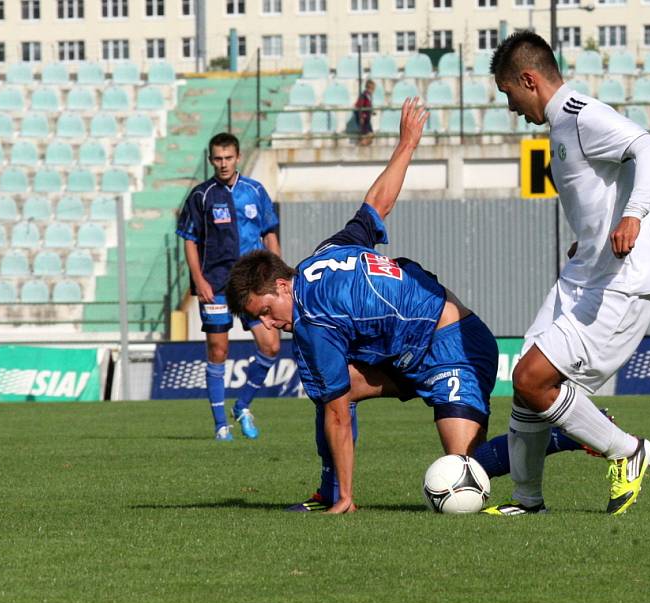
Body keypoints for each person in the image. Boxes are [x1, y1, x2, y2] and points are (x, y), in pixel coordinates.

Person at [226, 99, 605, 513]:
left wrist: (351, 501)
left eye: (263, 310)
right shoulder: (326, 253)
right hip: (403, 354)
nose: (266, 323)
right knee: (333, 386)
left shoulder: (312, 317)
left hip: (454, 347)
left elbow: (337, 415)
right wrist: (406, 144)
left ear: (283, 285)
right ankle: (329, 492)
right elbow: (376, 206)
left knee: (464, 469)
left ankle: (571, 433)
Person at [486, 31, 650, 516]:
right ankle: (527, 501)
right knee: (525, 381)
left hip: (620, 283)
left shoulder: (581, 115)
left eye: (509, 94)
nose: (511, 107)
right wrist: (591, 237)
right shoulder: (560, 128)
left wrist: (634, 214)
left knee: (532, 379)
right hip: (584, 274)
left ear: (529, 79)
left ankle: (629, 451)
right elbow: (600, 192)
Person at [176, 132, 281, 442]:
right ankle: (221, 425)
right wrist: (199, 279)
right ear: (211, 160)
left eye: (228, 158)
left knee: (271, 345)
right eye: (217, 158)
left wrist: (276, 275)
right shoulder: (201, 195)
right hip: (217, 283)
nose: (223, 164)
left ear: (237, 158)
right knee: (218, 350)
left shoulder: (255, 191)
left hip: (252, 283)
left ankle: (243, 405)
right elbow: (190, 240)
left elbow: (270, 234)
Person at [354, 80, 375, 146]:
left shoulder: (369, 96)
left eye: (373, 89)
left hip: (367, 118)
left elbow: (368, 106)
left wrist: (371, 112)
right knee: (366, 134)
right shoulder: (363, 95)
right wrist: (361, 117)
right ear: (368, 88)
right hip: (363, 118)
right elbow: (360, 107)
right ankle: (360, 144)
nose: (372, 91)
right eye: (371, 89)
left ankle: (362, 144)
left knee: (370, 134)